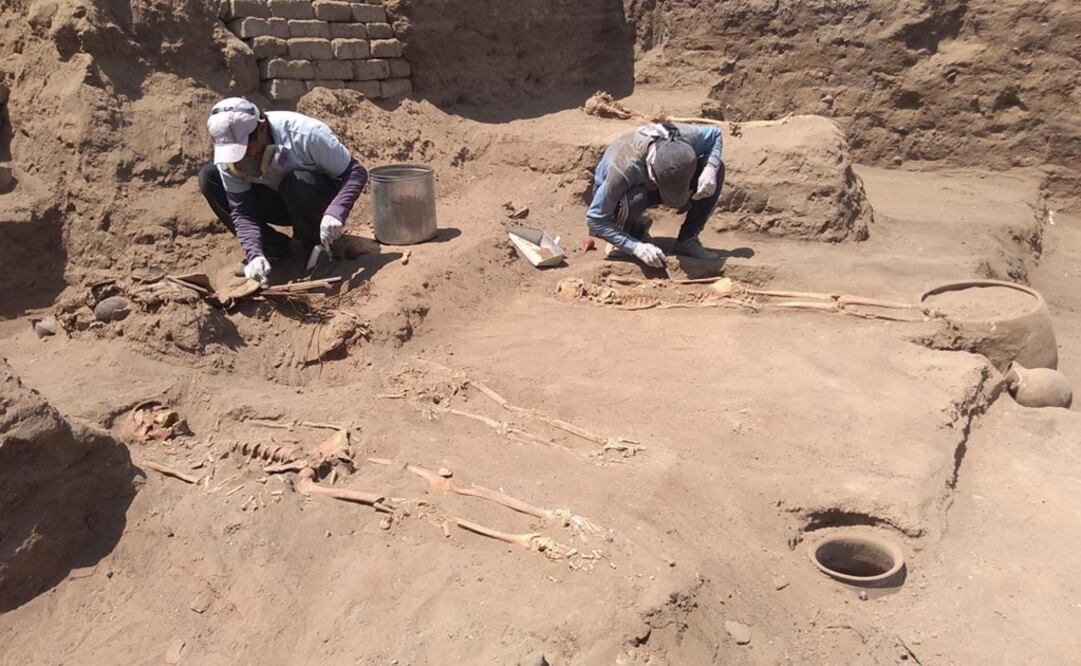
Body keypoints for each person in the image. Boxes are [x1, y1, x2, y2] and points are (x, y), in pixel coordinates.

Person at [198, 97, 368, 282]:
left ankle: (314, 246)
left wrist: (336, 211)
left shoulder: (306, 134)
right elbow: (242, 211)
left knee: (297, 181)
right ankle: (273, 250)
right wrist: (253, 252)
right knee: (209, 177)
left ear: (262, 128)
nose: (240, 159)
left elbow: (356, 172)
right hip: (278, 201)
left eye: (245, 149)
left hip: (316, 201)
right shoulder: (228, 158)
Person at [586, 122, 725, 268]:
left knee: (717, 169)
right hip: (621, 192)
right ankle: (626, 235)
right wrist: (635, 247)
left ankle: (688, 240)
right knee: (635, 198)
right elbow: (594, 218)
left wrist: (711, 167)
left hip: (650, 183)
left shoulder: (687, 137)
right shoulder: (622, 169)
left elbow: (716, 134)